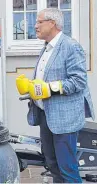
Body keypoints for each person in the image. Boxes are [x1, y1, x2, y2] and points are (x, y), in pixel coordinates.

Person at [16, 8, 95, 183]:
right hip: (46, 115)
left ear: (53, 23)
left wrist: (50, 88)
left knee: (67, 168)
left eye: (39, 22)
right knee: (52, 165)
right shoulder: (46, 48)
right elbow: (44, 80)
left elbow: (79, 82)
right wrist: (30, 87)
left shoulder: (70, 46)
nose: (35, 26)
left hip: (64, 119)